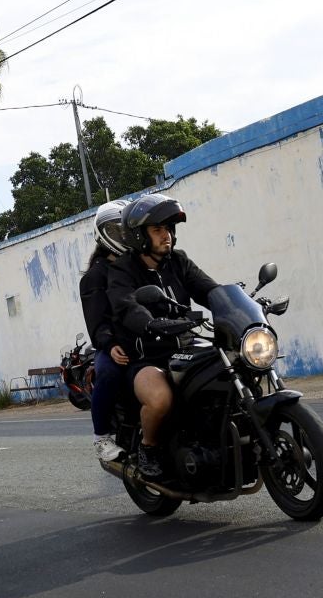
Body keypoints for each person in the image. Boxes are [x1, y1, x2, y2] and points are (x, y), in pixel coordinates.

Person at [106, 193, 218, 480]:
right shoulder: (122, 270)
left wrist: (236, 302)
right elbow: (127, 306)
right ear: (139, 236)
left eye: (168, 229)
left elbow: (209, 290)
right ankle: (149, 447)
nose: (166, 236)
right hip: (147, 358)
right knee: (160, 399)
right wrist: (152, 324)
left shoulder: (179, 262)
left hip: (186, 348)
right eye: (158, 230)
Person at [78, 201, 132, 463]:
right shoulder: (95, 275)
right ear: (104, 234)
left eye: (125, 229)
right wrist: (110, 344)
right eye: (116, 230)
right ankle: (102, 437)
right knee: (109, 373)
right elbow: (96, 321)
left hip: (143, 338)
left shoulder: (135, 267)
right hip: (113, 344)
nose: (122, 235)